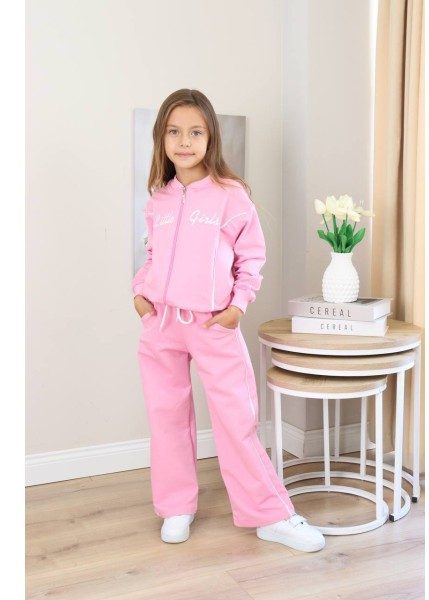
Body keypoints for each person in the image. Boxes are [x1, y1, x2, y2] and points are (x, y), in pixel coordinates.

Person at [133, 88, 325, 553]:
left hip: (212, 323)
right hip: (161, 323)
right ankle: (176, 506)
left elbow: (251, 258)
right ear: (161, 138)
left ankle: (270, 515)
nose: (184, 141)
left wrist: (237, 307)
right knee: (166, 417)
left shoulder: (230, 195)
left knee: (236, 418)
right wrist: (141, 292)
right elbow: (153, 253)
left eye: (195, 132)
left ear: (210, 138)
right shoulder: (159, 198)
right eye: (174, 132)